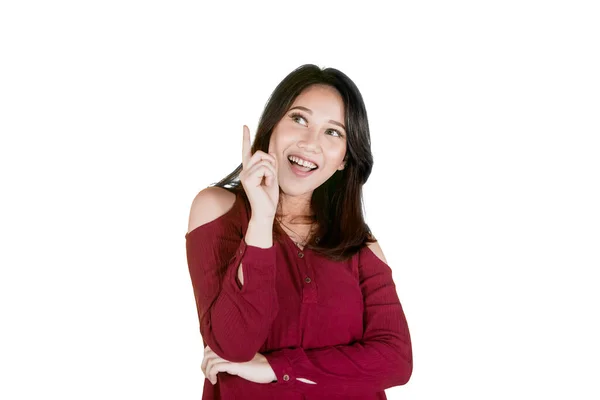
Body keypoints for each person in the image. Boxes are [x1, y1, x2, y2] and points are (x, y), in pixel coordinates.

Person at [185, 64, 413, 399]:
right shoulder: (217, 209)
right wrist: (261, 221)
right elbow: (232, 345)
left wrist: (279, 368)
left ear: (344, 160)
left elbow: (396, 361)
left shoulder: (359, 244)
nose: (310, 143)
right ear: (272, 126)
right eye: (299, 119)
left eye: (333, 132)